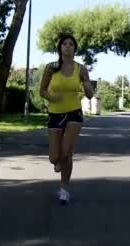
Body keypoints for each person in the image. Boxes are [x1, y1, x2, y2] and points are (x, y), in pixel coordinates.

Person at [40, 34, 94, 205]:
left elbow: (91, 94)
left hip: (74, 113)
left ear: (74, 49)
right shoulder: (51, 68)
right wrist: (51, 98)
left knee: (66, 152)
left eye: (71, 44)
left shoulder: (81, 69)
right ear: (60, 48)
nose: (68, 46)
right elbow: (42, 91)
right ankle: (58, 163)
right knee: (54, 157)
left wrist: (86, 85)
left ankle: (64, 189)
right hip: (55, 113)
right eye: (64, 44)